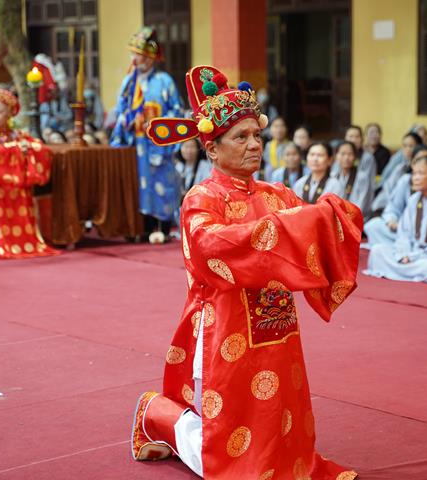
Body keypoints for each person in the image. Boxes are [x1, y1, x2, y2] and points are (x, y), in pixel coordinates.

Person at [134, 64, 361, 479]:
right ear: (213, 149)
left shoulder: (278, 194)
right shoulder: (200, 199)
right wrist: (285, 230)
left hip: (277, 323)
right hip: (225, 326)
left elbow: (311, 230)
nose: (254, 144)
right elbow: (211, 247)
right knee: (224, 447)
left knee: (279, 414)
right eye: (241, 138)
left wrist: (331, 215)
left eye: (256, 135)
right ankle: (160, 416)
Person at [0, 88, 58, 259]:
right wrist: (16, 150)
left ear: (9, 114)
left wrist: (27, 148)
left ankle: (21, 241)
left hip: (16, 186)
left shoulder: (19, 135)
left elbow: (41, 149)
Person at [110, 26, 183, 243]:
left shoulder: (164, 81)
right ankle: (137, 227)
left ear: (150, 58)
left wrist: (157, 122)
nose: (134, 59)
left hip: (156, 142)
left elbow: (176, 110)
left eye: (138, 55)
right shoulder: (128, 82)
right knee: (137, 185)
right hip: (135, 142)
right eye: (133, 54)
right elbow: (120, 109)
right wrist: (127, 121)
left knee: (160, 182)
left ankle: (160, 226)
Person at [365, 154, 427, 282]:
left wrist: (414, 257)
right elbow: (404, 234)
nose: (415, 178)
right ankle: (408, 270)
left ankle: (401, 270)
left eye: (420, 173)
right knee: (378, 251)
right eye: (414, 173)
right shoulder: (413, 200)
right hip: (412, 253)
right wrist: (403, 254)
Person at [371, 131, 422, 211]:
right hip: (390, 207)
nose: (407, 149)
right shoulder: (400, 168)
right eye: (405, 146)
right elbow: (388, 188)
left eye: (411, 146)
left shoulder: (422, 169)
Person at [334, 141, 372, 216]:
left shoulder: (362, 177)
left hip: (355, 216)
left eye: (350, 154)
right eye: (343, 154)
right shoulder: (334, 176)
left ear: (355, 157)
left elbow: (362, 202)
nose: (346, 158)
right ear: (336, 156)